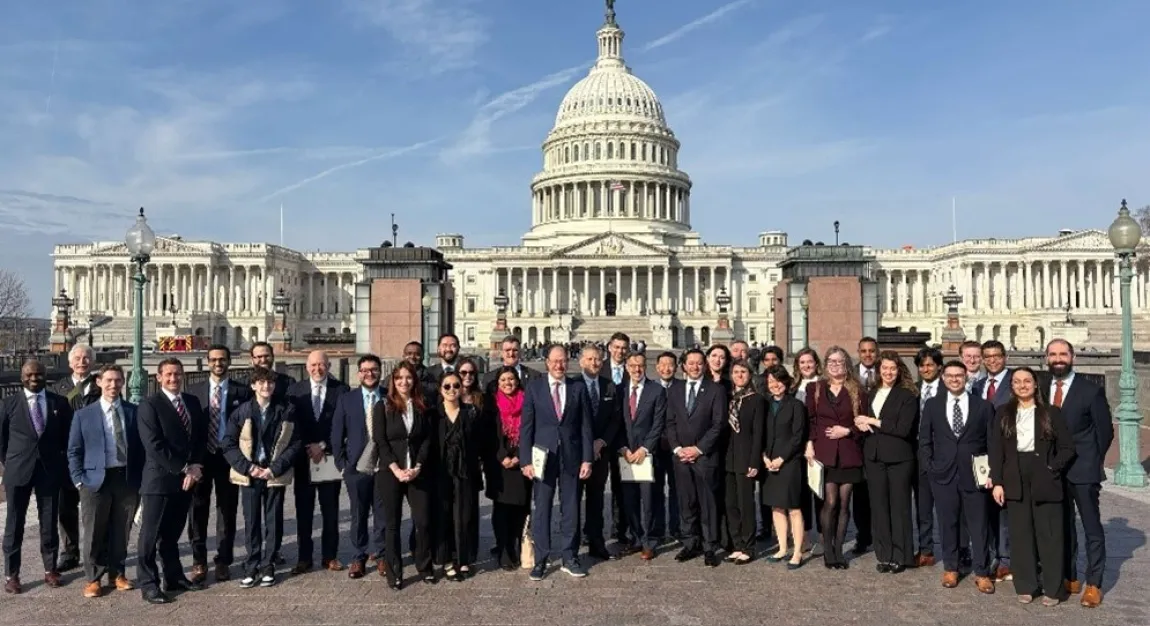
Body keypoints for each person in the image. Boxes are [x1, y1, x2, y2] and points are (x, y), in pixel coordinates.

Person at [988, 367, 1074, 606]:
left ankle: (1052, 588)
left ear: (1035, 384)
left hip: (1044, 475)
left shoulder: (1050, 413)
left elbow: (1068, 447)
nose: (1022, 385)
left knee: (1049, 535)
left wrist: (1052, 468)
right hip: (1014, 475)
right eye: (1017, 382)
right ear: (1012, 386)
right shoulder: (1004, 413)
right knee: (1020, 535)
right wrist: (997, 482)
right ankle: (1026, 585)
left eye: (1027, 381)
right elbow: (996, 450)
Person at [1044, 339, 1112, 608]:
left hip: (1083, 471)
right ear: (1046, 358)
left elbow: (1105, 432)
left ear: (1072, 357)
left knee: (1091, 527)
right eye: (1053, 354)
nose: (1058, 358)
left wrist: (1093, 462)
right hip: (1053, 471)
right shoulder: (1041, 387)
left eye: (1063, 354)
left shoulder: (1089, 391)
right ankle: (1070, 576)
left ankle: (1094, 582)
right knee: (1063, 526)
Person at [221, 368, 303, 588]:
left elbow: (295, 443)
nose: (266, 387)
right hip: (251, 473)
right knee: (251, 521)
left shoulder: (286, 409)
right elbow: (227, 443)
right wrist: (247, 467)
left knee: (274, 519)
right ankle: (252, 564)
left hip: (273, 472)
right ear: (253, 385)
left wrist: (275, 468)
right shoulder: (242, 411)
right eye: (261, 383)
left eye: (270, 383)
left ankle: (269, 564)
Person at [67, 364, 143, 598]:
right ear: (99, 382)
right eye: (108, 380)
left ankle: (117, 573)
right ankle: (93, 578)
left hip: (125, 478)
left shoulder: (133, 411)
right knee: (94, 531)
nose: (113, 385)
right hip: (95, 480)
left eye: (118, 381)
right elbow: (74, 450)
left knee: (122, 529)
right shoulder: (84, 414)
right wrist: (79, 480)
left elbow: (141, 448)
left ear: (123, 383)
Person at [920, 360, 995, 594]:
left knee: (978, 525)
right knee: (948, 523)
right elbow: (925, 440)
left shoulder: (983, 407)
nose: (954, 379)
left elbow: (992, 442)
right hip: (943, 474)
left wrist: (992, 472)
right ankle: (951, 568)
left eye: (959, 375)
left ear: (966, 378)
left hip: (975, 474)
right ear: (943, 378)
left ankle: (982, 572)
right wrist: (930, 466)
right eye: (950, 376)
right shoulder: (932, 405)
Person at [135, 357, 206, 604]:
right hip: (159, 480)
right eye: (168, 375)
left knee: (172, 535)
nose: (173, 379)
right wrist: (185, 468)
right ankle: (148, 584)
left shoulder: (192, 402)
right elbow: (154, 445)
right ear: (159, 377)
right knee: (150, 536)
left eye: (177, 374)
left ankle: (173, 577)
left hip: (186, 481)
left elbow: (200, 437)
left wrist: (196, 466)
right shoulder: (149, 405)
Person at [520, 344, 594, 581]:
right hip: (543, 456)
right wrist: (525, 460)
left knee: (571, 508)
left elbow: (586, 426)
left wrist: (587, 458)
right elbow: (527, 427)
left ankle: (569, 556)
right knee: (542, 508)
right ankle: (541, 559)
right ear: (547, 363)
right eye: (554, 361)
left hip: (571, 456)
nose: (559, 365)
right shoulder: (535, 388)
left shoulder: (578, 388)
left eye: (562, 361)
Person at [2, 359, 72, 594]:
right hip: (18, 471)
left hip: (49, 472)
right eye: (29, 375)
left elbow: (66, 438)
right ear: (22, 377)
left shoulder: (59, 403)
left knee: (49, 523)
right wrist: (9, 463)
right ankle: (12, 574)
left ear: (45, 376)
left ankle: (50, 570)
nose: (34, 379)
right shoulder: (8, 404)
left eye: (39, 375)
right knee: (14, 524)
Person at [854, 351, 919, 574]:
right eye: (885, 368)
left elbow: (903, 429)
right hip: (874, 456)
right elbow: (861, 418)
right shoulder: (871, 393)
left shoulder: (908, 395)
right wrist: (860, 423)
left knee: (899, 507)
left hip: (899, 457)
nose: (888, 372)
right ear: (879, 371)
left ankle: (902, 555)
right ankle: (885, 555)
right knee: (879, 507)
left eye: (892, 368)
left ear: (899, 370)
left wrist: (872, 420)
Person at [374, 362, 435, 589]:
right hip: (391, 473)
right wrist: (396, 469)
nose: (404, 382)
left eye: (408, 377)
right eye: (399, 378)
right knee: (392, 524)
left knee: (423, 521)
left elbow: (427, 439)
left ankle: (424, 566)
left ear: (414, 380)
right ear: (393, 381)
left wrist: (418, 465)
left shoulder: (422, 405)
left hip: (417, 471)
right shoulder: (383, 406)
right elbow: (380, 441)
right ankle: (394, 572)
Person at [804, 346, 865, 570]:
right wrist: (809, 443)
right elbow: (810, 419)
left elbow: (863, 422)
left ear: (847, 364)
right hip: (825, 452)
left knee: (844, 502)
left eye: (839, 361)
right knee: (830, 501)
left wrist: (848, 431)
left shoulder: (857, 390)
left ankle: (839, 549)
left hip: (849, 451)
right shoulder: (815, 388)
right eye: (831, 361)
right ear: (825, 364)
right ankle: (828, 549)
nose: (835, 365)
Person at [665, 348, 727, 567]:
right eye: (691, 363)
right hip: (681, 457)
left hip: (705, 457)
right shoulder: (675, 390)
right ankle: (691, 542)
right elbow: (670, 422)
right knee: (686, 501)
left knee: (707, 503)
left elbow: (718, 424)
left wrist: (698, 449)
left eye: (699, 363)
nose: (695, 367)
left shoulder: (715, 390)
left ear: (705, 365)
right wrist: (677, 449)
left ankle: (710, 546)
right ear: (684, 365)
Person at [330, 355, 386, 579]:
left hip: (383, 466)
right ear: (358, 373)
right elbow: (336, 434)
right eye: (364, 370)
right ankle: (358, 556)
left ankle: (382, 555)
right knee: (358, 514)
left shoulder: (389, 396)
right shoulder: (347, 399)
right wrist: (342, 464)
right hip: (356, 467)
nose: (369, 374)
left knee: (382, 514)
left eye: (373, 370)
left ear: (380, 372)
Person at [616, 351, 666, 560]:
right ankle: (636, 537)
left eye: (641, 366)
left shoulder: (657, 390)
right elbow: (615, 422)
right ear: (626, 367)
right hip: (626, 453)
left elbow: (658, 423)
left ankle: (650, 541)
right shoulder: (619, 390)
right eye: (633, 366)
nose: (637, 370)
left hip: (646, 453)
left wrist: (645, 448)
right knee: (629, 500)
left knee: (648, 500)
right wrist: (623, 448)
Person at [434, 371, 483, 581]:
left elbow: (479, 441)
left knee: (464, 517)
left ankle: (463, 559)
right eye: (447, 386)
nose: (452, 390)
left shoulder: (470, 412)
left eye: (456, 385)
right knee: (444, 517)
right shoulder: (433, 414)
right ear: (440, 390)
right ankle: (446, 560)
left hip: (465, 473)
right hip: (441, 472)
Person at [760, 365, 807, 569]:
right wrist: (763, 456)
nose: (775, 385)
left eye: (778, 381)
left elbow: (798, 437)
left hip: (790, 463)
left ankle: (797, 552)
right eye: (771, 382)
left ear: (786, 382)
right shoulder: (766, 405)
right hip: (769, 462)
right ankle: (782, 547)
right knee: (776, 507)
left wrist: (782, 458)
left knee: (793, 508)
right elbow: (760, 433)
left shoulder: (796, 405)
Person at [485, 367, 531, 570]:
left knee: (520, 509)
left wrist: (520, 456)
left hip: (521, 462)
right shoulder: (492, 404)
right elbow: (489, 435)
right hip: (499, 464)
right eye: (503, 379)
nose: (507, 383)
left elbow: (532, 430)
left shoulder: (527, 401)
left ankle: (515, 545)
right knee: (502, 510)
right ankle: (503, 549)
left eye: (511, 379)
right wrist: (502, 456)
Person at [723, 360, 765, 564]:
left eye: (743, 372)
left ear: (750, 375)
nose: (739, 375)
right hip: (728, 457)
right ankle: (737, 543)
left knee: (745, 503)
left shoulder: (756, 399)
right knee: (730, 503)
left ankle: (749, 546)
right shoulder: (727, 397)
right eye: (736, 372)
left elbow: (758, 433)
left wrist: (754, 460)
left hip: (746, 457)